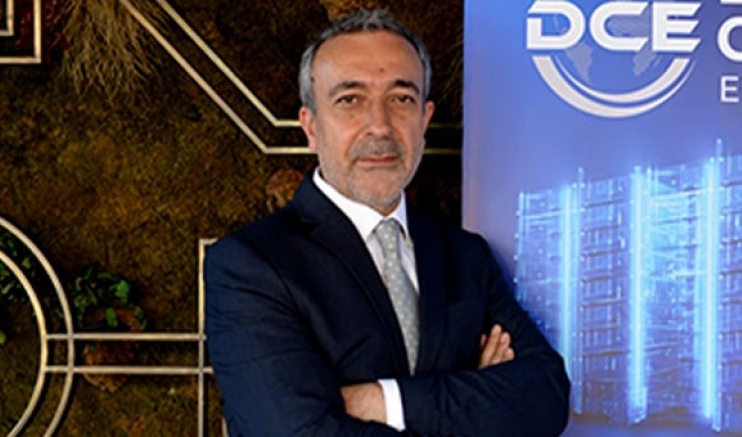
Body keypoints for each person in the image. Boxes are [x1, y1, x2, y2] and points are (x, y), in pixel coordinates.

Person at [205, 8, 570, 436]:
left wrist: (380, 401)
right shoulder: (250, 266)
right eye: (350, 100)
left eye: (401, 99)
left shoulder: (465, 256)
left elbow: (545, 399)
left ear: (424, 120)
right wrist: (477, 404)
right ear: (311, 126)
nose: (379, 126)